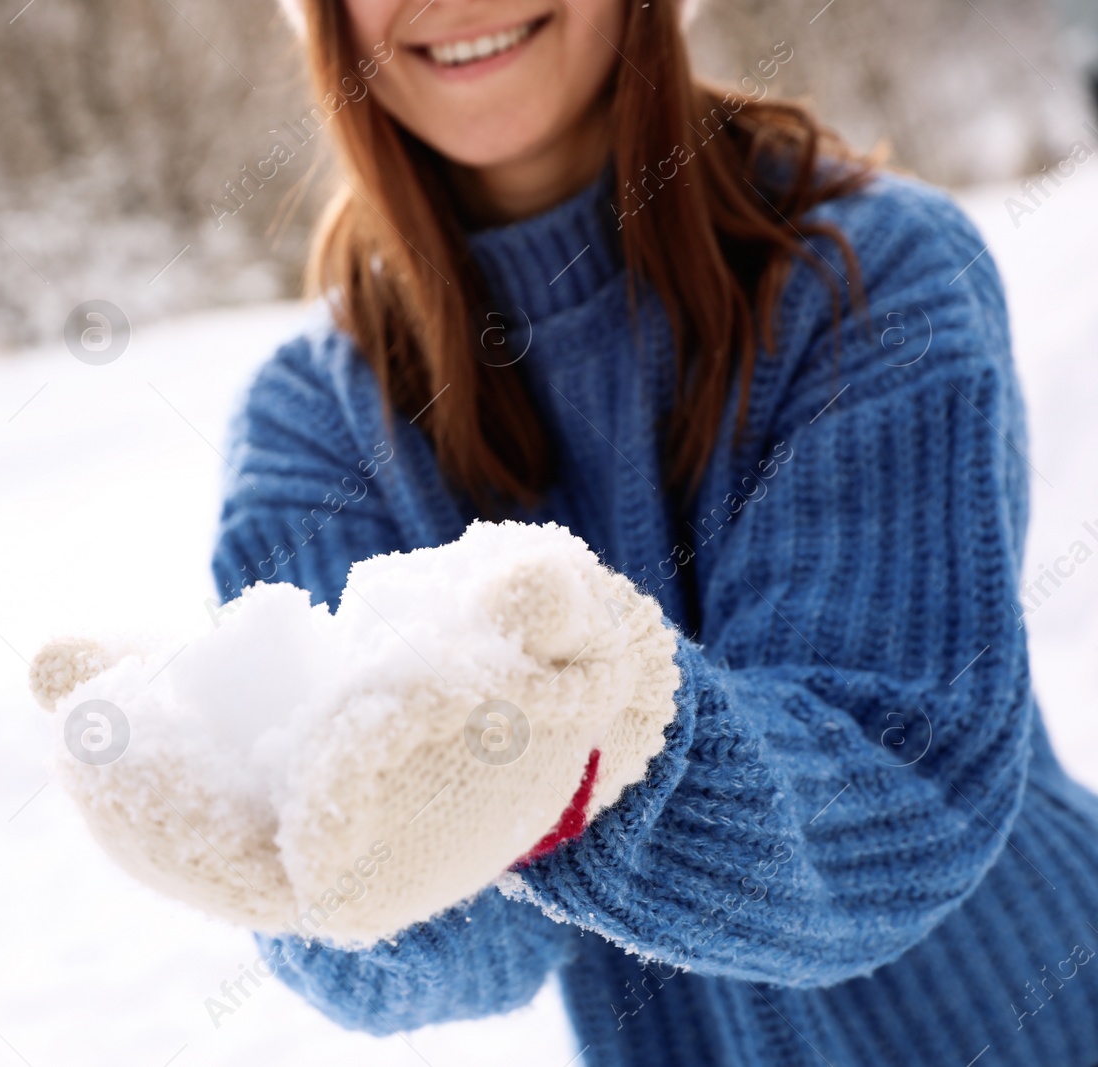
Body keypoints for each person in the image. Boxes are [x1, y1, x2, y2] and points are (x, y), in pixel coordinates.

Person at [204, 0, 1098, 1063]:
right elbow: (425, 951)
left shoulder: (867, 270)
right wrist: (314, 852)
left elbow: (890, 802)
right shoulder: (309, 425)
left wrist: (566, 746)